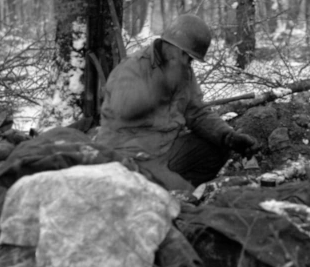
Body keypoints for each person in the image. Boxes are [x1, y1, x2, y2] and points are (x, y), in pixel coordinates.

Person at [92, 14, 257, 191]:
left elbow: (197, 112)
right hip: (129, 154)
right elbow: (123, 109)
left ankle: (169, 190)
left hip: (165, 150)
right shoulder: (133, 68)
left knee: (217, 148)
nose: (189, 63)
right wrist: (162, 85)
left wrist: (228, 136)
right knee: (174, 192)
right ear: (174, 47)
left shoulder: (182, 70)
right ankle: (157, 189)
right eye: (188, 57)